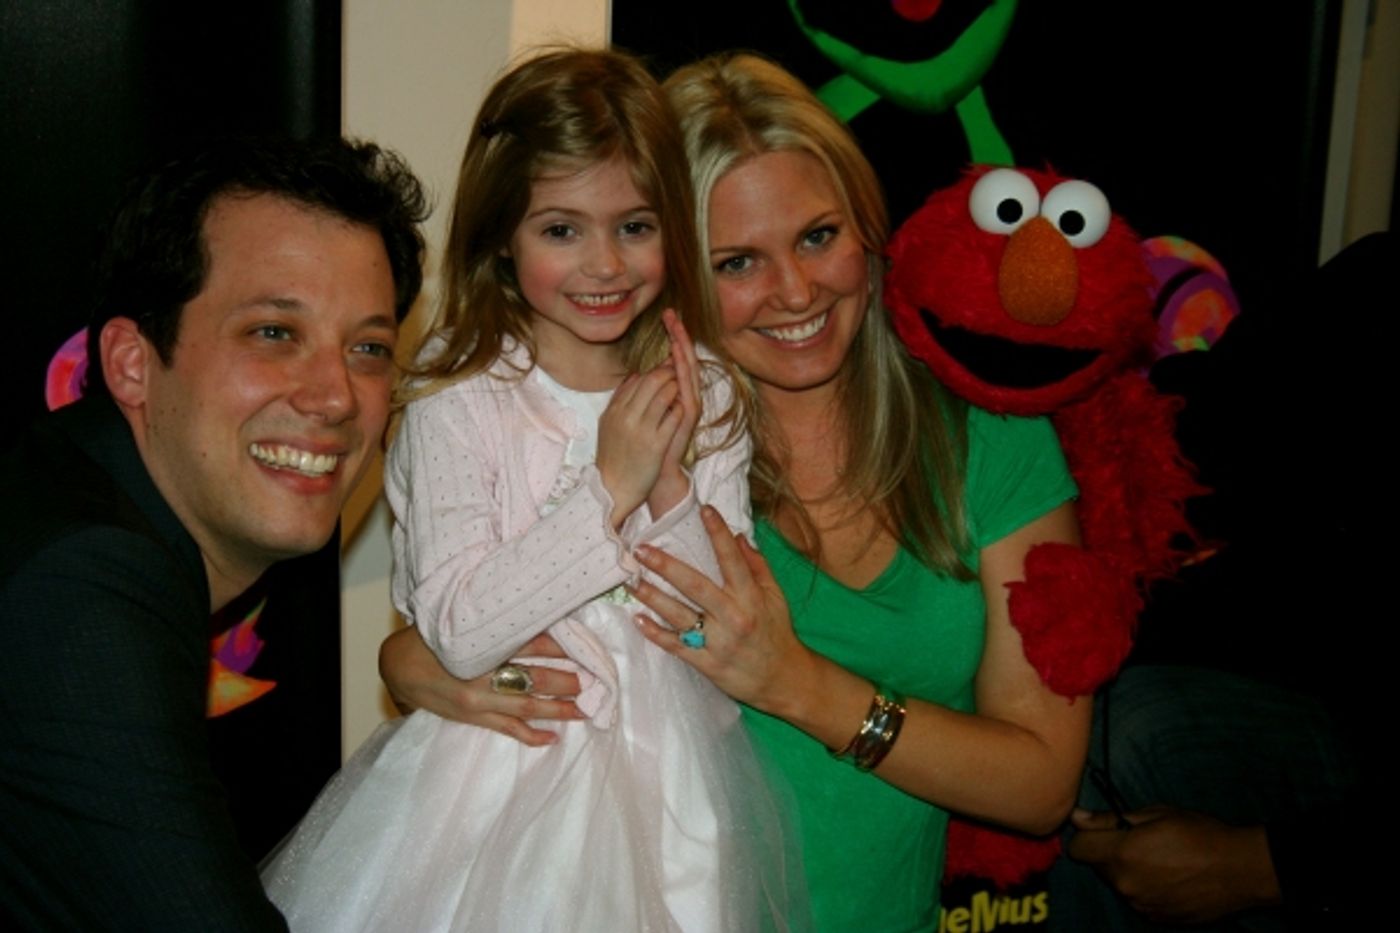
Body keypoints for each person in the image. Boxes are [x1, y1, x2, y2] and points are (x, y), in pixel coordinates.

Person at [383, 53, 1092, 931]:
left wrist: (800, 684)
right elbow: (478, 608)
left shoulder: (991, 439)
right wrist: (411, 659)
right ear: (681, 264)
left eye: (819, 236)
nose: (795, 291)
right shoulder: (650, 424)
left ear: (868, 227)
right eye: (737, 261)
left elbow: (1040, 784)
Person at [261, 48, 795, 932]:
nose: (605, 265)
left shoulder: (707, 390)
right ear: (502, 234)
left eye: (635, 225)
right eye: (561, 230)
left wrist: (668, 481)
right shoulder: (456, 393)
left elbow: (716, 633)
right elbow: (463, 629)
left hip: (671, 794)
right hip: (488, 783)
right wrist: (609, 486)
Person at [0, 137, 427, 931]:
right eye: (274, 332)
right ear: (131, 363)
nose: (336, 396)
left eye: (368, 348)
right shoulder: (83, 587)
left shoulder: (77, 499)